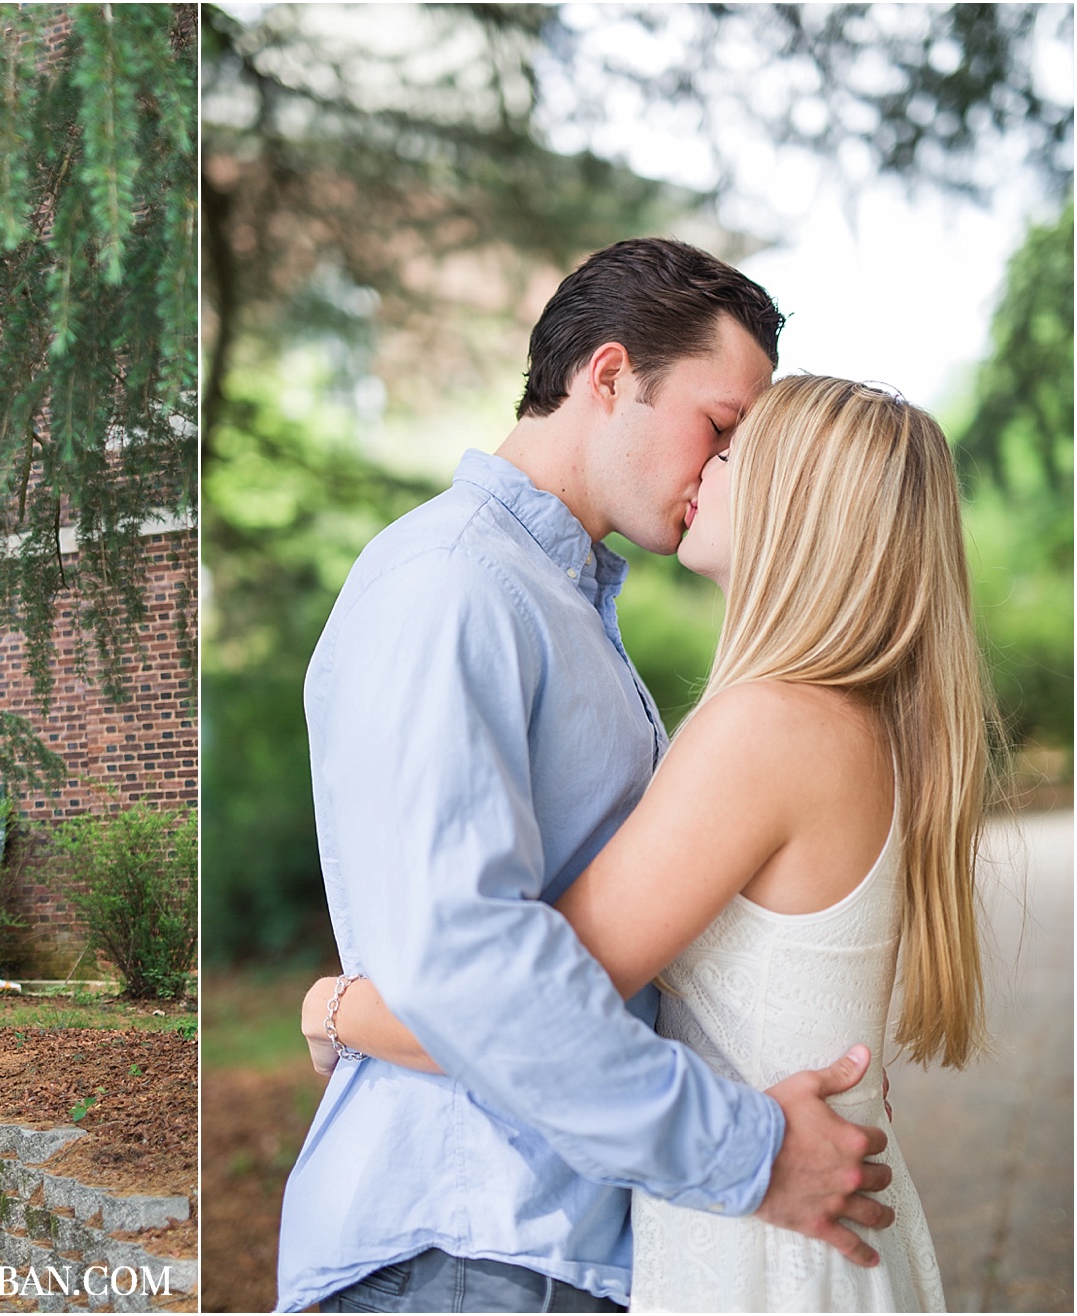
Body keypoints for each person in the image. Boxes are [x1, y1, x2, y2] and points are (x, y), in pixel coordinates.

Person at [276, 240, 901, 1315]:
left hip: (540, 1252)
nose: (719, 470)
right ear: (609, 377)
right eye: (719, 426)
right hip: (465, 1250)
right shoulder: (453, 584)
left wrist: (337, 1009)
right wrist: (750, 1150)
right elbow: (471, 964)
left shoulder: (561, 606)